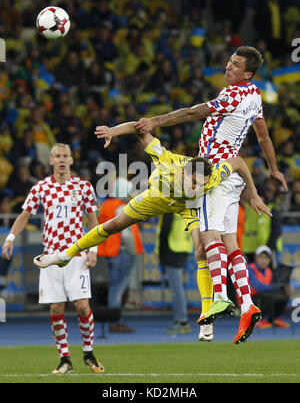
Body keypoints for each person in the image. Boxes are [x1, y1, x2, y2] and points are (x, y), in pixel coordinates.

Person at [33, 126, 271, 344]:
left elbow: (238, 162)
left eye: (204, 185)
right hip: (154, 198)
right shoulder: (167, 161)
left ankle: (206, 317)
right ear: (185, 173)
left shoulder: (209, 177)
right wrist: (113, 132)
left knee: (202, 250)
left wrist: (253, 193)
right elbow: (140, 129)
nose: (199, 188)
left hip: (184, 207)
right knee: (112, 226)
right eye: (196, 182)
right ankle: (66, 255)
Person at [133, 45, 288, 344]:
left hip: (214, 174)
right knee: (231, 245)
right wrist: (272, 168)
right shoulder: (255, 96)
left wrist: (154, 121)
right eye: (230, 61)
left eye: (236, 64)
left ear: (248, 74)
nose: (228, 66)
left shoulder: (231, 95)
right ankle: (247, 305)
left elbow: (192, 112)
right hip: (234, 176)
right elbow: (264, 136)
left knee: (209, 238)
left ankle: (219, 296)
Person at [2, 143, 104, 374]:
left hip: (76, 254)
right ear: (50, 161)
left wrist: (93, 250)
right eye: (56, 156)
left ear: (71, 160)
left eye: (64, 156)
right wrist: (10, 238)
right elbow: (25, 214)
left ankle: (89, 353)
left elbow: (93, 221)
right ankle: (64, 359)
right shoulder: (41, 187)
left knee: (81, 305)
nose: (60, 159)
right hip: (50, 256)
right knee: (56, 307)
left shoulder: (84, 187)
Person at [98, 177, 144, 333]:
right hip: (122, 252)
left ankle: (114, 321)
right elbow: (126, 235)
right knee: (118, 289)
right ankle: (115, 321)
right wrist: (132, 252)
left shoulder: (106, 206)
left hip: (110, 251)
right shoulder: (121, 208)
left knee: (114, 288)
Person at [157, 213, 193, 335]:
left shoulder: (169, 206)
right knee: (178, 287)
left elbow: (164, 231)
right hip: (184, 247)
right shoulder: (187, 204)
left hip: (172, 249)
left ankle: (182, 321)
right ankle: (181, 320)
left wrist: (161, 255)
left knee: (176, 288)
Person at [249, 246, 290, 329]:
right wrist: (276, 287)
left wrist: (284, 288)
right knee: (270, 296)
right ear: (256, 258)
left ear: (269, 260)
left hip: (263, 295)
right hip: (251, 298)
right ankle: (257, 320)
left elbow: (274, 286)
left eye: (266, 258)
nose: (263, 261)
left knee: (283, 296)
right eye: (261, 258)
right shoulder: (250, 268)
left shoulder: (269, 271)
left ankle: (273, 319)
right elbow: (257, 286)